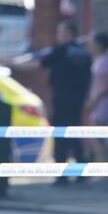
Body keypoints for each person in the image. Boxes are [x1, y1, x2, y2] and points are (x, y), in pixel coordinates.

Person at [41, 20, 92, 185]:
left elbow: (41, 64)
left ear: (69, 34)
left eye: (60, 33)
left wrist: (11, 64)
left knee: (61, 136)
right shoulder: (82, 53)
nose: (58, 37)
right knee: (75, 135)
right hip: (77, 99)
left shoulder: (61, 51)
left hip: (62, 98)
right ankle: (81, 172)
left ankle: (61, 175)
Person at [85, 31, 108, 162]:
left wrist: (93, 99)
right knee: (98, 137)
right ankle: (105, 167)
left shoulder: (103, 62)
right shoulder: (98, 61)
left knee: (98, 137)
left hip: (103, 104)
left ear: (99, 45)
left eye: (92, 43)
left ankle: (105, 168)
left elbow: (107, 85)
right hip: (99, 104)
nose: (90, 46)